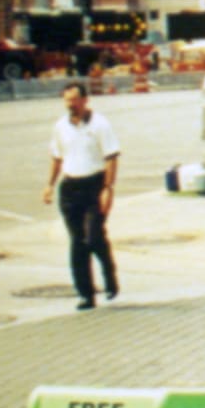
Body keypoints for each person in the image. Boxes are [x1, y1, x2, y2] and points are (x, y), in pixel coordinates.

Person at [42, 81, 120, 309]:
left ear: (85, 100)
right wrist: (49, 185)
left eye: (75, 100)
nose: (71, 105)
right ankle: (86, 293)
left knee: (93, 236)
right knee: (77, 242)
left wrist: (108, 188)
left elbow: (111, 157)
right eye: (67, 100)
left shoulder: (100, 124)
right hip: (70, 188)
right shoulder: (60, 127)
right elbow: (56, 157)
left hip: (94, 185)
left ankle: (109, 275)